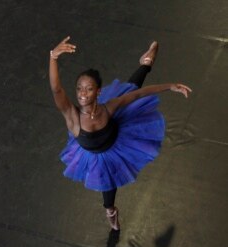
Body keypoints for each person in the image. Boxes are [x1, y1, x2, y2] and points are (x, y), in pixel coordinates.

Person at [49, 36, 191, 231]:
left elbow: (138, 95)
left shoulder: (108, 108)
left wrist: (170, 86)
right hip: (98, 156)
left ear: (98, 92)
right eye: (79, 89)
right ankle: (111, 211)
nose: (82, 93)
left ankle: (146, 64)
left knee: (131, 91)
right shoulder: (72, 116)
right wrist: (53, 57)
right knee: (107, 190)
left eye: (89, 89)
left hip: (119, 137)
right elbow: (57, 90)